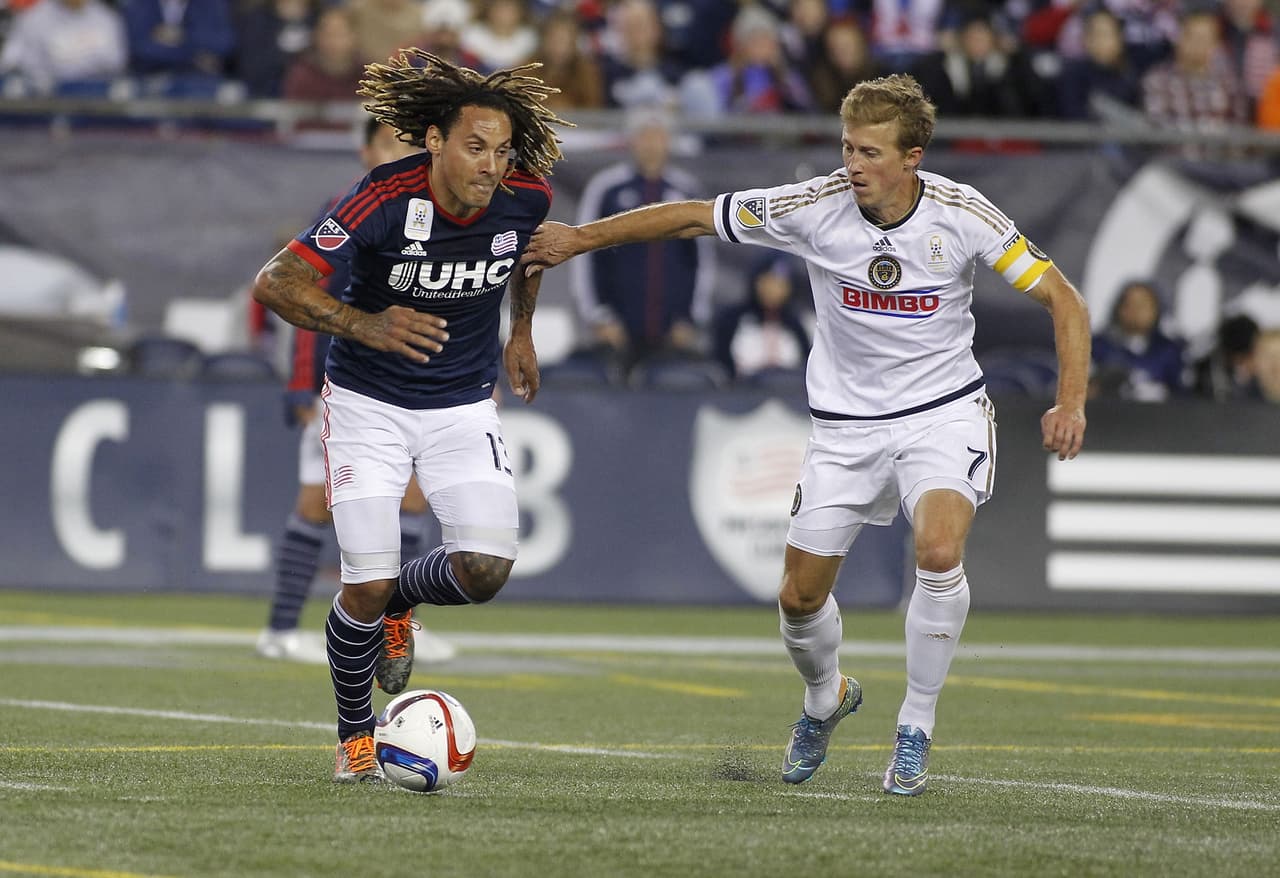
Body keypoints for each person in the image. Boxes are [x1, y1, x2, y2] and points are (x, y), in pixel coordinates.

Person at [522, 73, 1090, 796]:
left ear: (913, 157)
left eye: (871, 152)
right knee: (797, 598)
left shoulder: (962, 212)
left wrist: (1069, 402)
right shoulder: (814, 205)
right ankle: (825, 698)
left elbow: (1062, 299)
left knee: (940, 550)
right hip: (845, 428)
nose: (853, 164)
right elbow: (695, 216)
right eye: (848, 146)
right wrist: (581, 238)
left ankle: (915, 726)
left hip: (940, 411)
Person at [252, 51, 568, 782]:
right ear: (434, 141)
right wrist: (364, 326)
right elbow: (276, 283)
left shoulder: (528, 197)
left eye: (500, 150)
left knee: (486, 569)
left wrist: (520, 334)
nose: (490, 165)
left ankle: (400, 597)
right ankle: (354, 734)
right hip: (368, 405)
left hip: (461, 404)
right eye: (474, 146)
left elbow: (525, 260)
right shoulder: (379, 199)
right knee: (359, 584)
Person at [255, 114, 456, 667]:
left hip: (416, 385)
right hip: (345, 385)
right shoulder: (346, 210)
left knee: (414, 503)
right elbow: (297, 295)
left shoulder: (435, 212)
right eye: (389, 142)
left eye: (408, 144)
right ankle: (279, 628)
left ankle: (401, 627)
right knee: (317, 504)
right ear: (365, 152)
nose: (399, 154)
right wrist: (302, 387)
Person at [569, 106, 716, 379]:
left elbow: (701, 259)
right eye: (644, 137)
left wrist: (690, 318)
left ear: (668, 141)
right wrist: (598, 316)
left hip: (672, 330)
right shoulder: (607, 189)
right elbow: (583, 251)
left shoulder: (686, 191)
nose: (651, 144)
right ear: (632, 141)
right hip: (617, 328)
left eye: (657, 136)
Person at [712, 253, 811, 382]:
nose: (774, 289)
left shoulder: (796, 326)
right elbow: (721, 365)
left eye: (781, 284)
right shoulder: (732, 319)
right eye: (768, 281)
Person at [1089, 279, 1187, 401]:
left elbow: (1182, 396)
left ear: (1156, 310)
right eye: (1129, 304)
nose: (1136, 311)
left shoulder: (1169, 351)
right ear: (1119, 309)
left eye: (1143, 305)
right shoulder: (1097, 346)